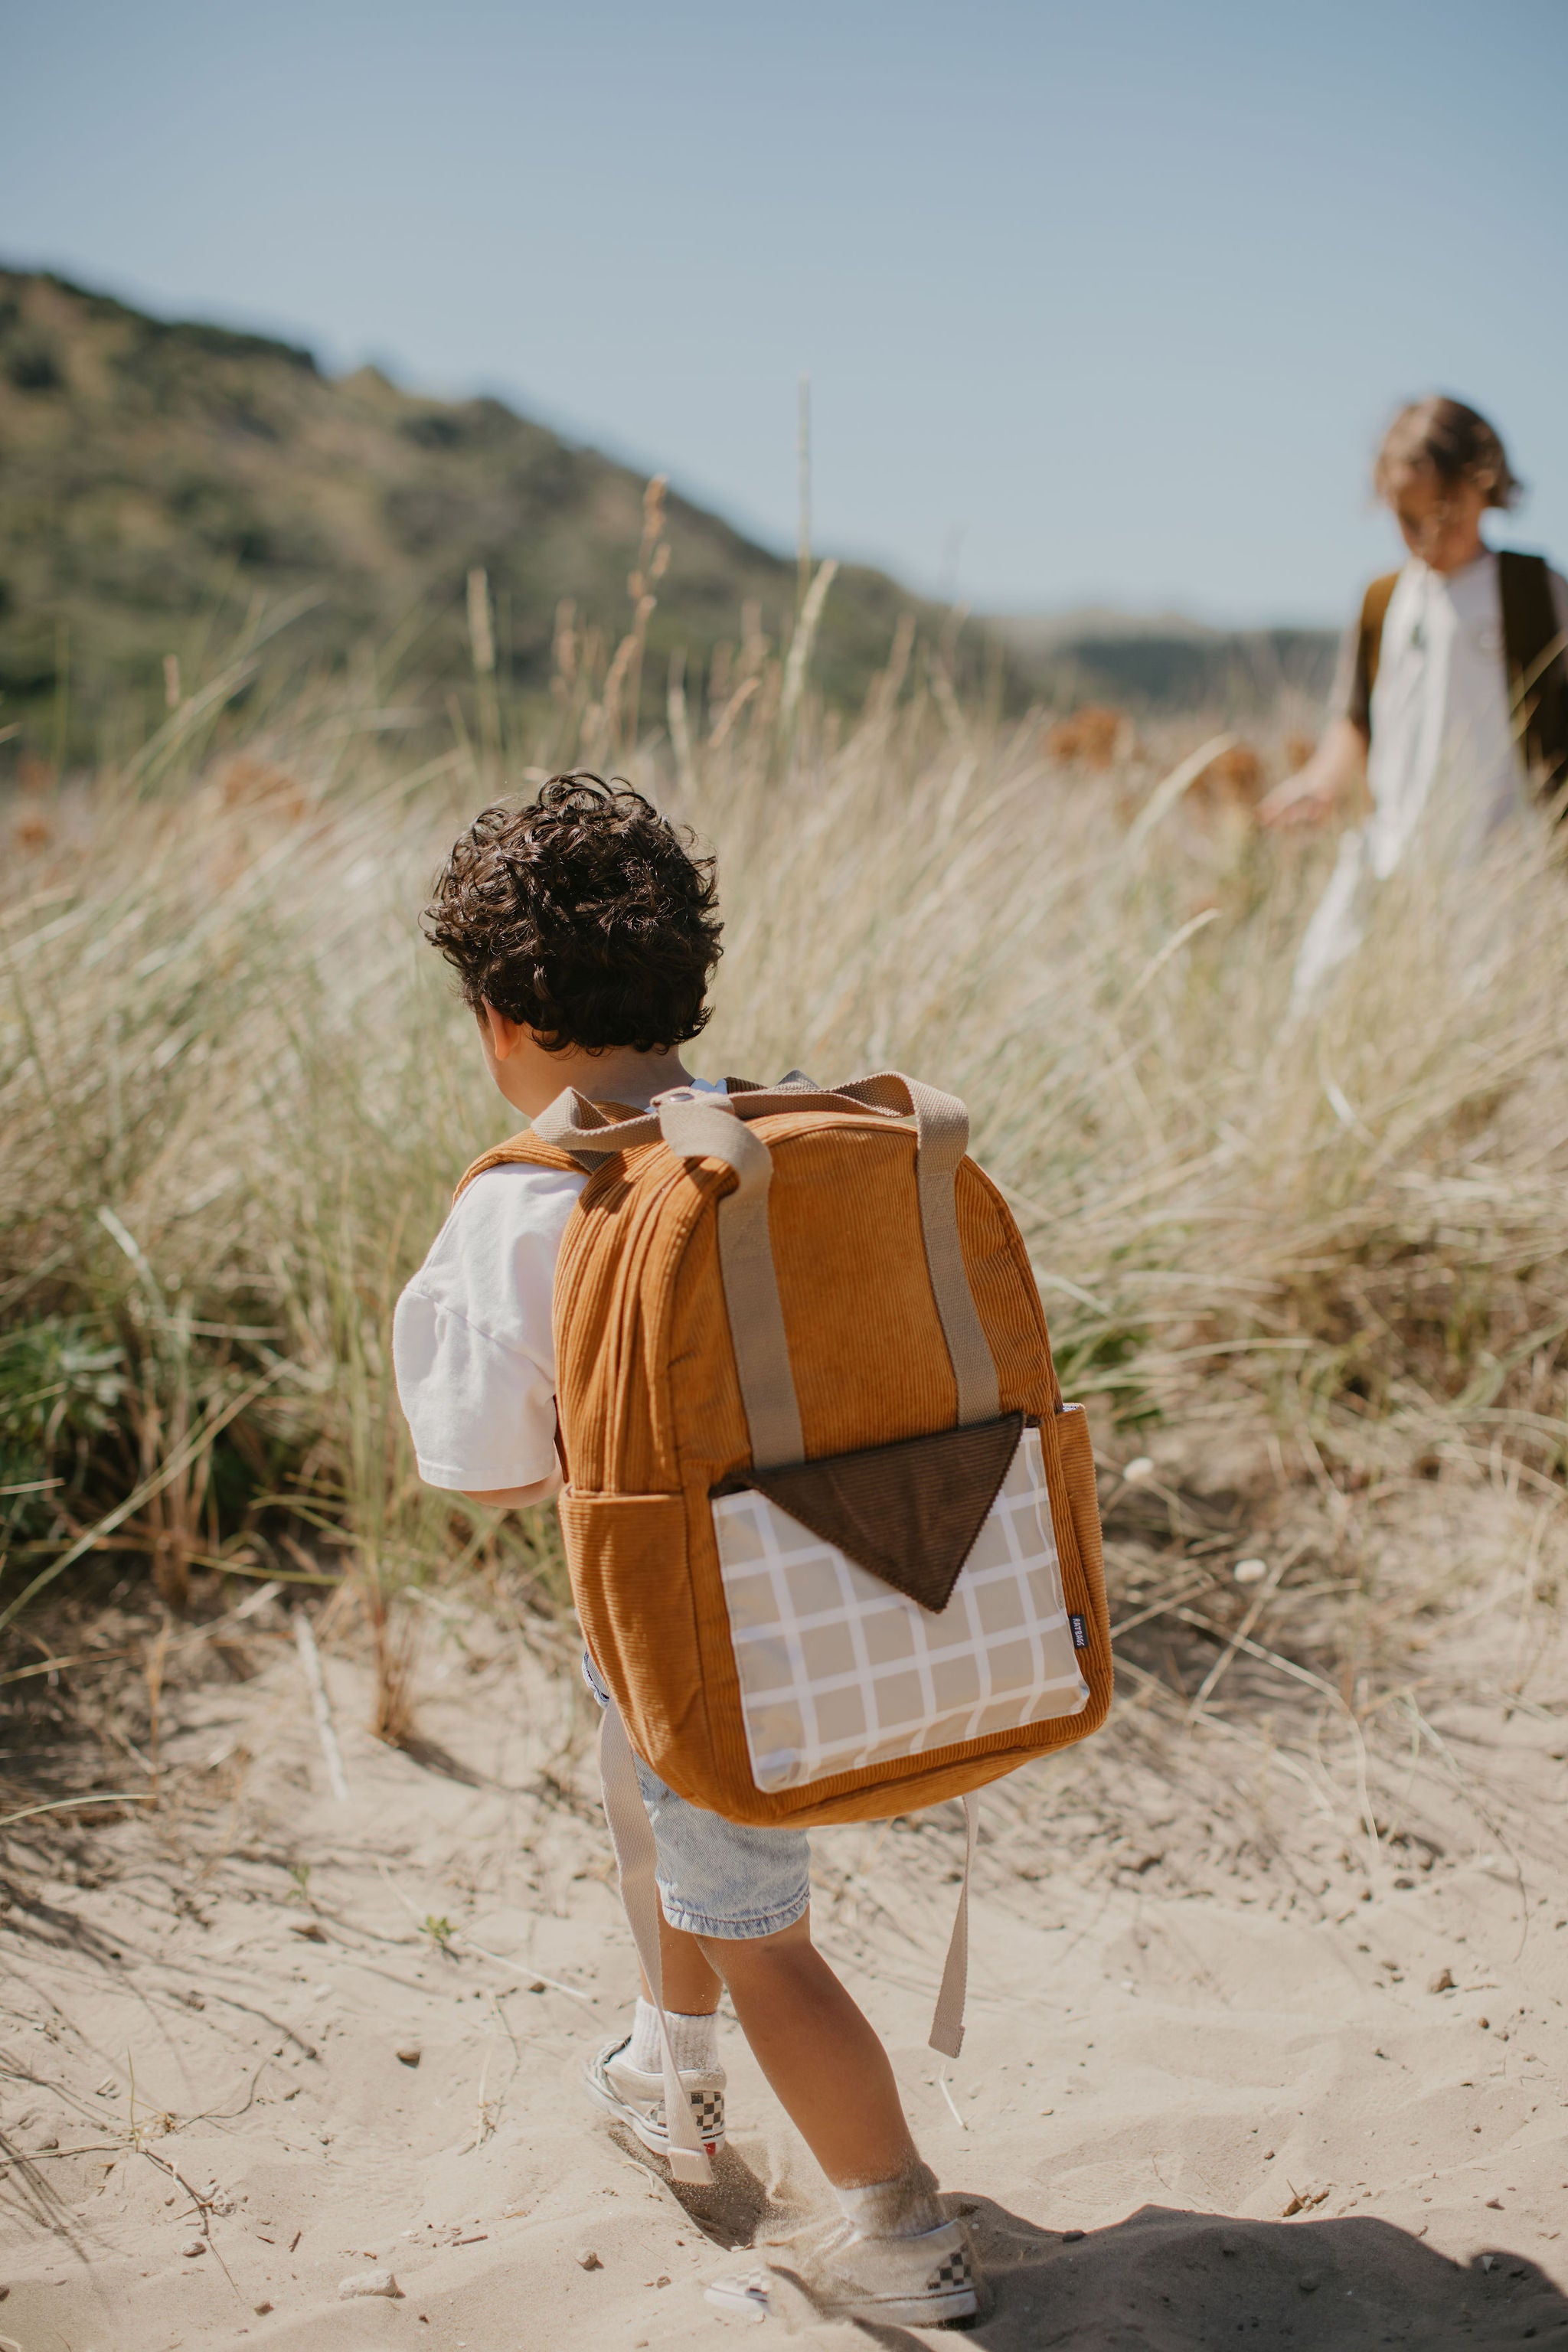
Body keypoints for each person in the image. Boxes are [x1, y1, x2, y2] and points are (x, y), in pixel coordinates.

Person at [392, 774, 985, 2330]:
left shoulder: (526, 1211)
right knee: (672, 1848)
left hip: (701, 1641)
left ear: (493, 1021)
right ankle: (669, 2067)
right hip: (863, 1582)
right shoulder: (774, 1140)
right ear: (689, 981)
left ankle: (902, 2230)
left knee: (759, 1934)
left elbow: (489, 1476)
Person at [1259, 397, 1568, 1004]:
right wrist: (1319, 782)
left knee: (1483, 1016)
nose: (1428, 536)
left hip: (1501, 862)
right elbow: (1355, 720)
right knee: (1321, 994)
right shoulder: (1383, 601)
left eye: (1445, 515)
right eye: (1407, 518)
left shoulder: (1535, 591)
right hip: (1387, 853)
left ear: (1485, 487)